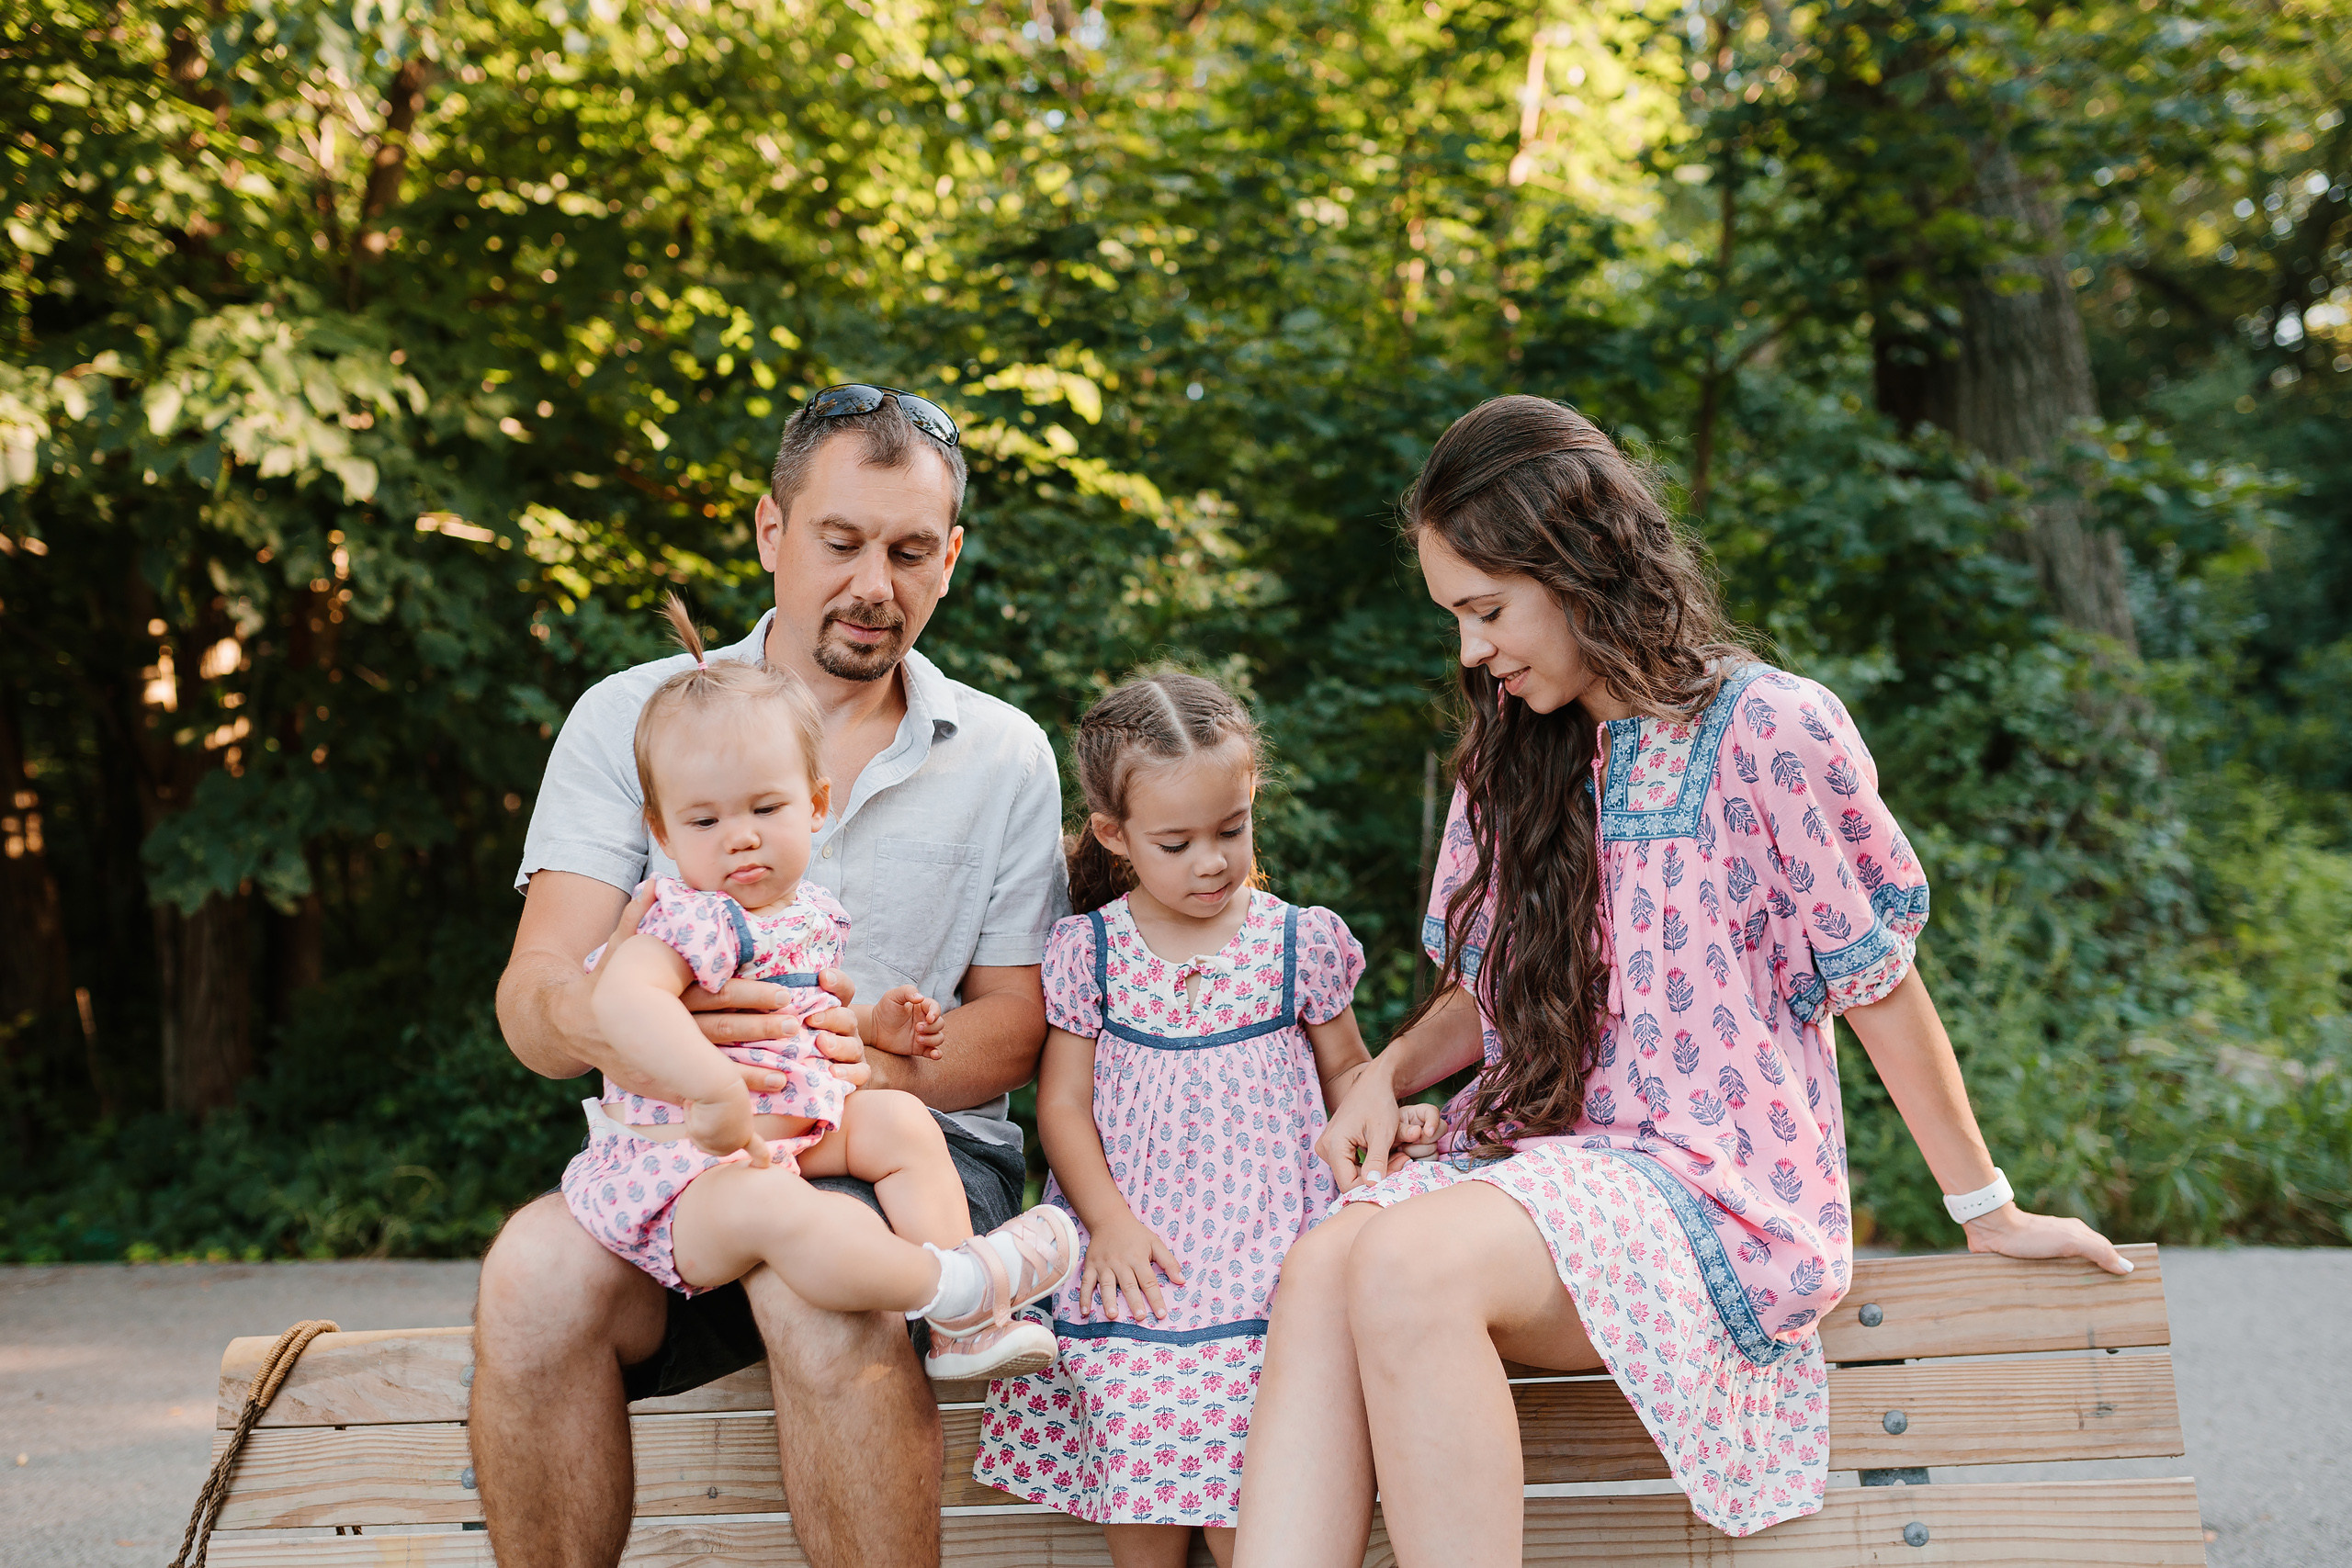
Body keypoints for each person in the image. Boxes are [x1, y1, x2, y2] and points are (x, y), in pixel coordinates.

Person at [1232, 396, 2132, 1567]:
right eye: (1456, 616)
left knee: (1405, 1264)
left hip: (1723, 1193)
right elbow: (1487, 992)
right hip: (1567, 1171)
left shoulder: (1769, 727)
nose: (1471, 650)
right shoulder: (1519, 752)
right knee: (1321, 1262)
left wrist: (1987, 1208)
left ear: (1578, 567)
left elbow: (1878, 987)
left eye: (1487, 610)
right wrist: (1381, 1077)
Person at [475, 385, 1069, 1568]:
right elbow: (534, 1001)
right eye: (840, 542)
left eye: (909, 552)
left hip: (908, 1158)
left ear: (949, 558)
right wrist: (645, 1025)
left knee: (817, 1284)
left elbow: (1022, 1028)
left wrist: (888, 1052)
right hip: (685, 1155)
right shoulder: (633, 720)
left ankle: (965, 1299)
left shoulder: (1003, 753)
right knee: (532, 1276)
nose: (873, 585)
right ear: (770, 533)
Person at [970, 672, 1436, 1568]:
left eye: (1232, 830)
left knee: (1257, 1466)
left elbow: (1346, 1071)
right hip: (1141, 1252)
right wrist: (1104, 1222)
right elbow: (1061, 1105)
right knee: (1137, 1443)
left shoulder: (1297, 940)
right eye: (1177, 843)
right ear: (1115, 834)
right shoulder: (1092, 950)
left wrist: (1383, 1127)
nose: (1213, 862)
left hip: (1270, 1252)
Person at [560, 592, 1078, 1380]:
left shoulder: (801, 911)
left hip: (792, 1130)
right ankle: (955, 1285)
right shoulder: (687, 916)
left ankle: (962, 1331)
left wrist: (876, 1027)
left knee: (904, 1122)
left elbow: (811, 1011)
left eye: (766, 808)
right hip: (689, 1170)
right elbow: (624, 999)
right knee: (791, 1217)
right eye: (703, 822)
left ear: (815, 803)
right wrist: (711, 1087)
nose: (740, 836)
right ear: (661, 835)